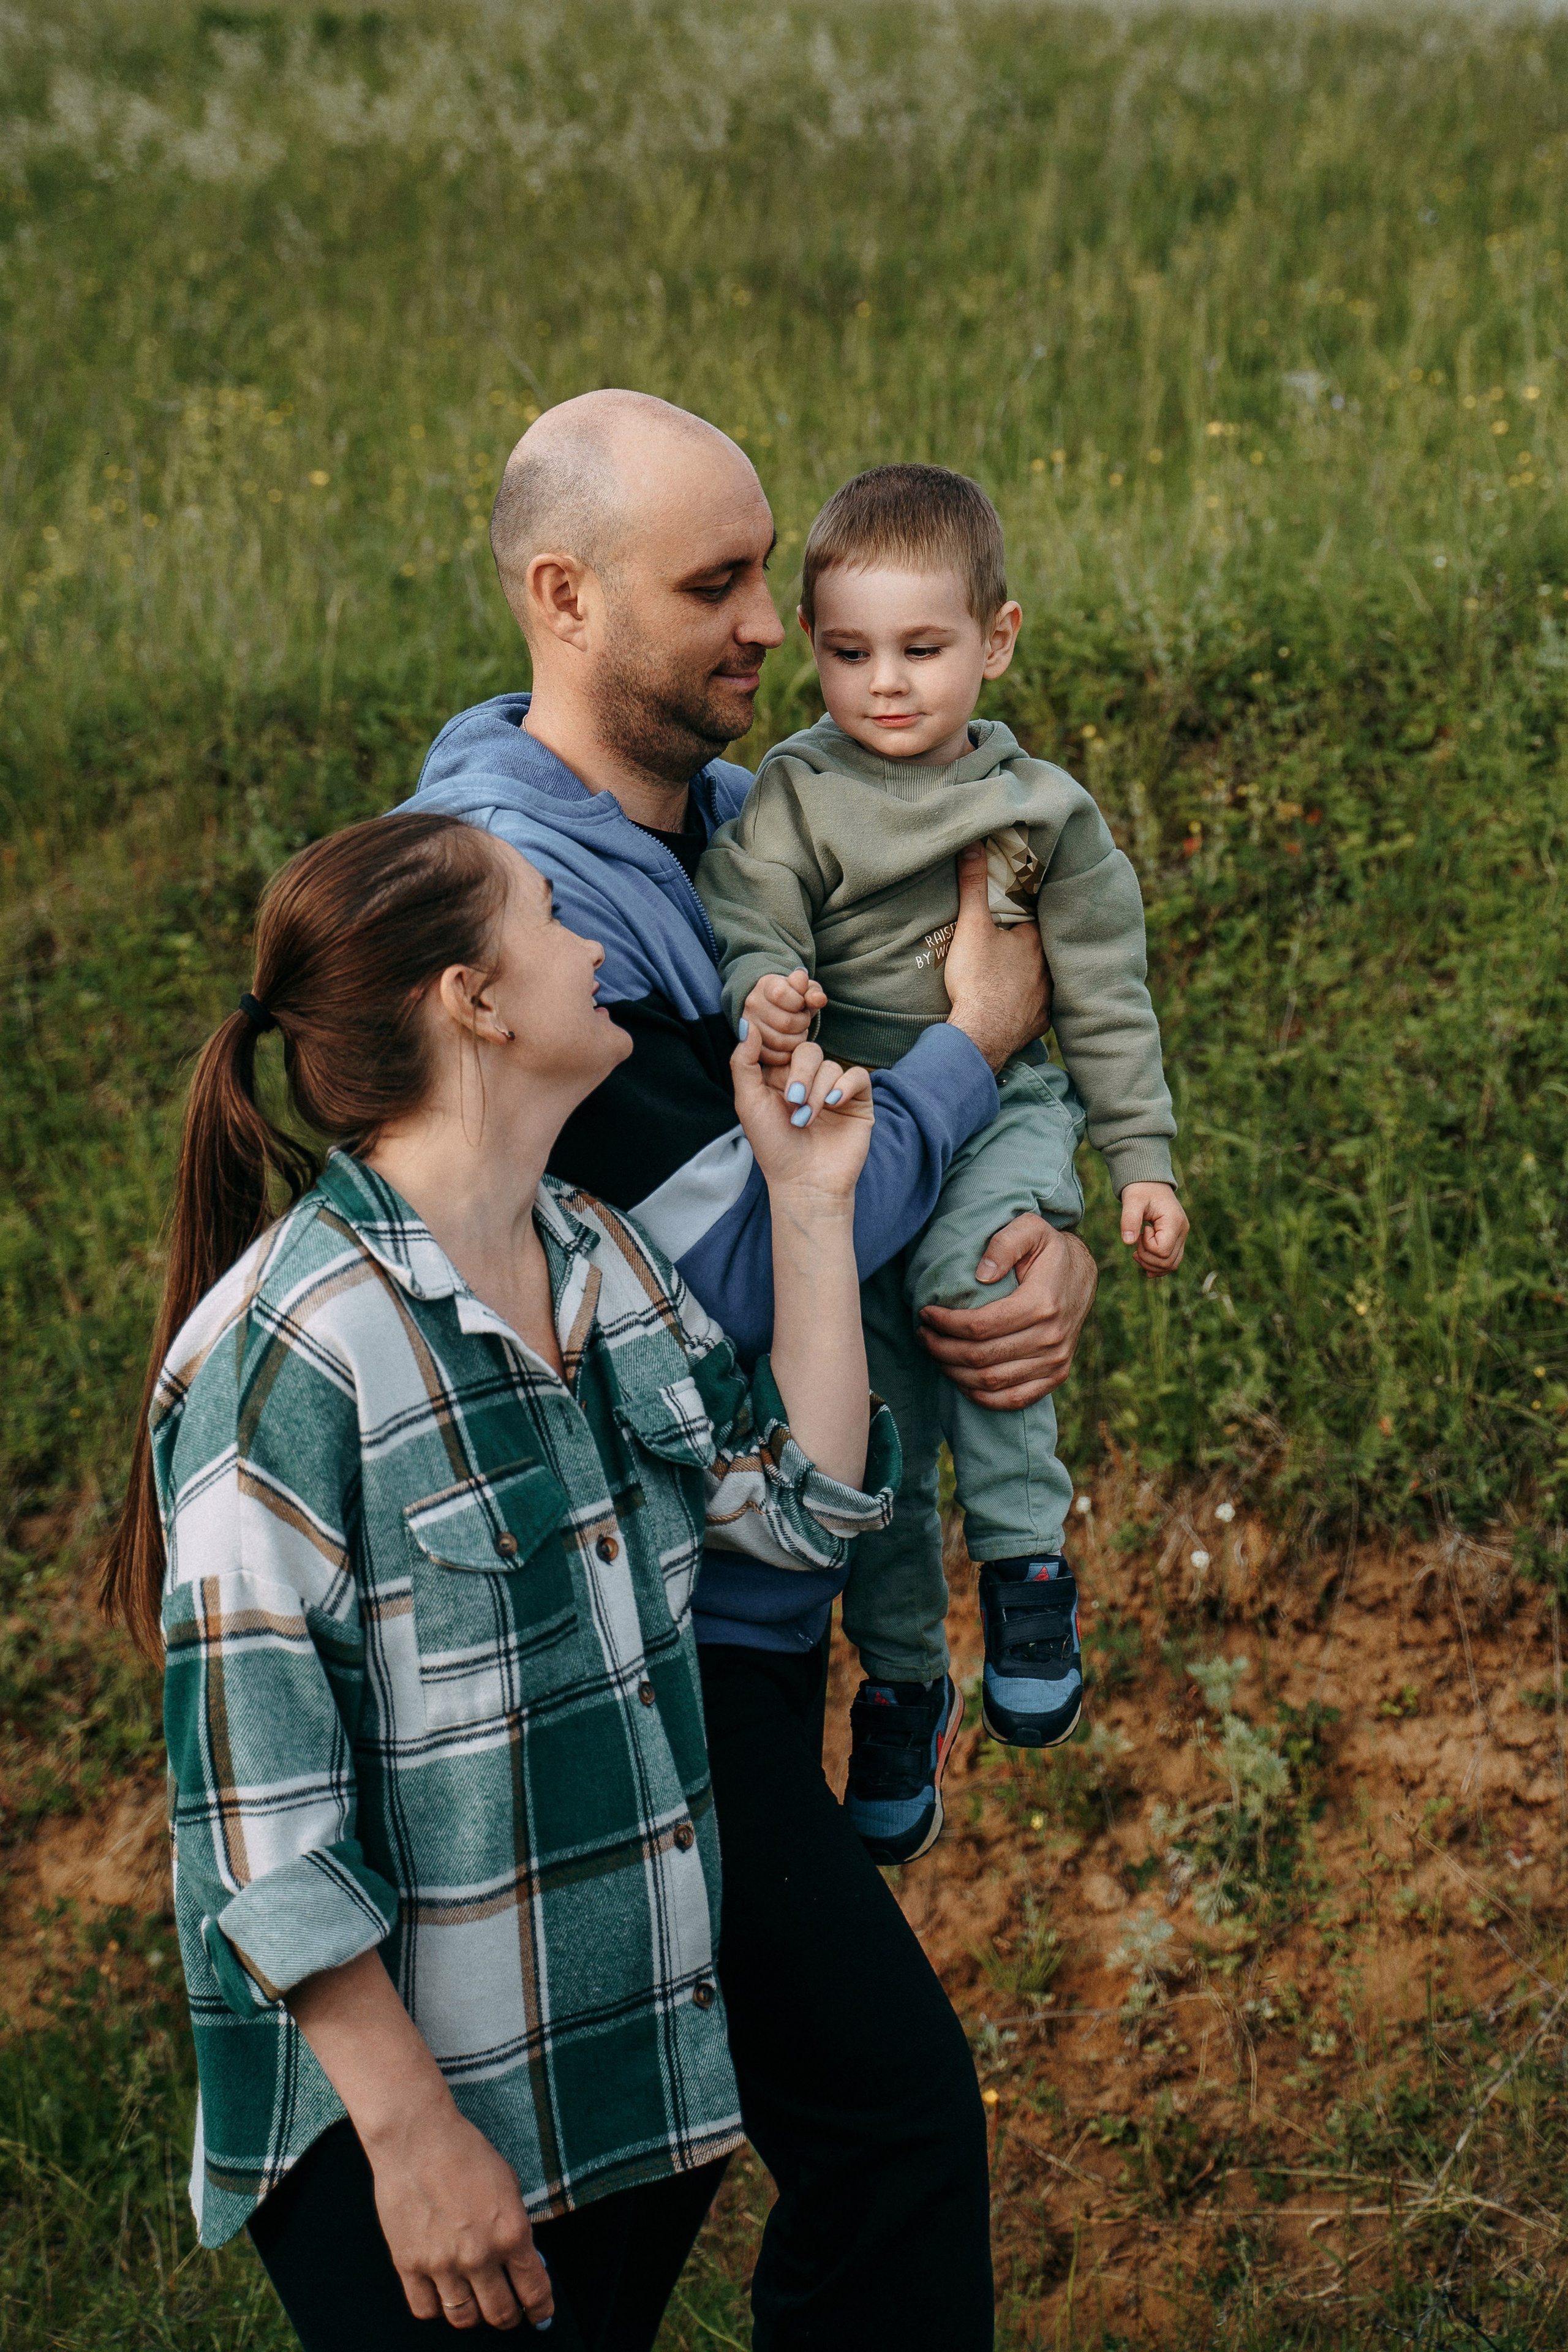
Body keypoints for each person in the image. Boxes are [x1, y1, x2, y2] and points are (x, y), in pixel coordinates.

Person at [405, 390, 1101, 2350]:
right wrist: (967, 1048)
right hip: (637, 1639)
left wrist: (1030, 1249)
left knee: (659, 2173)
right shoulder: (502, 911)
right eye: (714, 583)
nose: (767, 627)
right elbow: (707, 1272)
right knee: (886, 2132)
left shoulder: (734, 824)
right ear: (562, 596)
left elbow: (899, 1176)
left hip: (756, 1598)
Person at [100, 809, 899, 2350]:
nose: (596, 944)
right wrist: (411, 2143)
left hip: (613, 2092)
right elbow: (261, 1827)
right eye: (551, 915)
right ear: (475, 1000)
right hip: (415, 2156)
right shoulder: (292, 1354)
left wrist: (809, 1205)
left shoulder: (596, 1257)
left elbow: (791, 1508)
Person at [697, 463, 1189, 1860]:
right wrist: (770, 991)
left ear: (999, 636)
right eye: (848, 653)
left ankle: (1027, 1571)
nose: (885, 686)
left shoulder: (1041, 811)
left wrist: (1140, 1159)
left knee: (980, 1286)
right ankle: (901, 1679)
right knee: (872, 1422)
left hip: (1000, 1105)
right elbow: (750, 913)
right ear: (810, 643)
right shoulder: (790, 790)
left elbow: (1099, 988)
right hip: (845, 1118)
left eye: (922, 650)